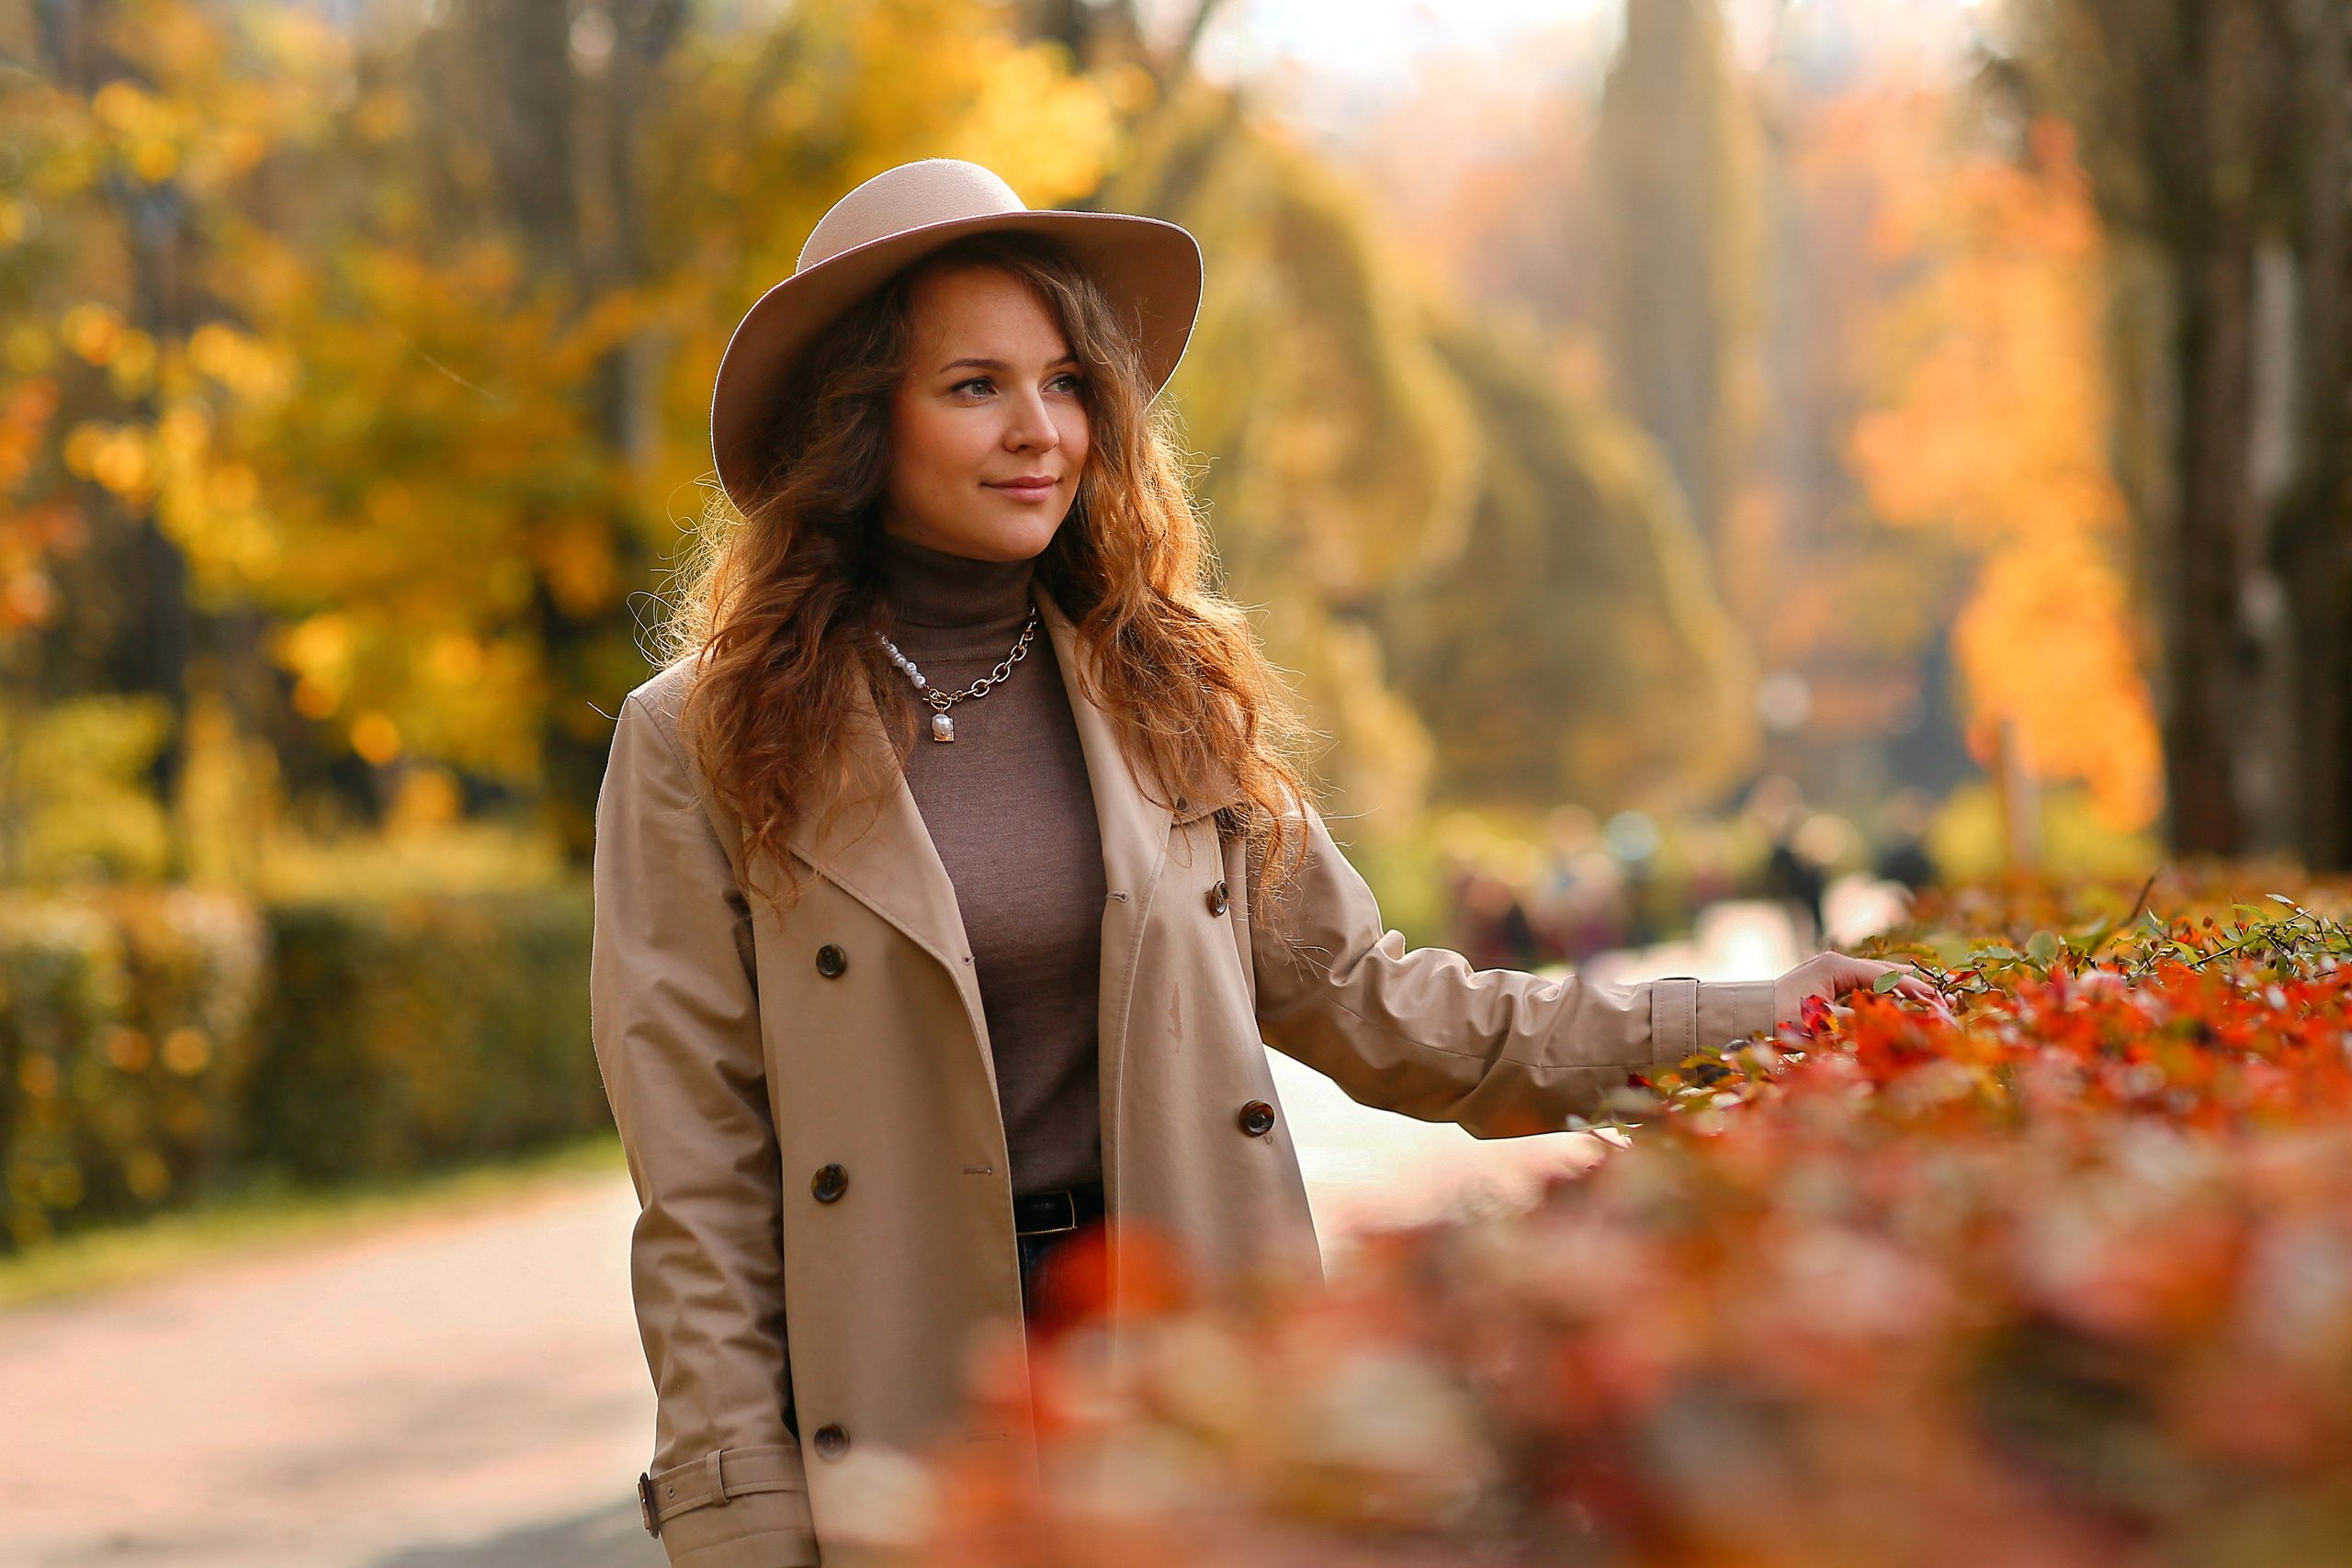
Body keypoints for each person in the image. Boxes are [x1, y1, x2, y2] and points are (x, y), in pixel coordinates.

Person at [590, 159, 1928, 1567]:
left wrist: (1755, 1021)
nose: (1040, 430)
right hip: (915, 1413)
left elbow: (1394, 1011)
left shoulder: (1166, 690)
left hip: (1197, 1378)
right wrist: (738, 1521)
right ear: (859, 424)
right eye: (974, 386)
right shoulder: (705, 741)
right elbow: (703, 1198)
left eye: (1067, 383)